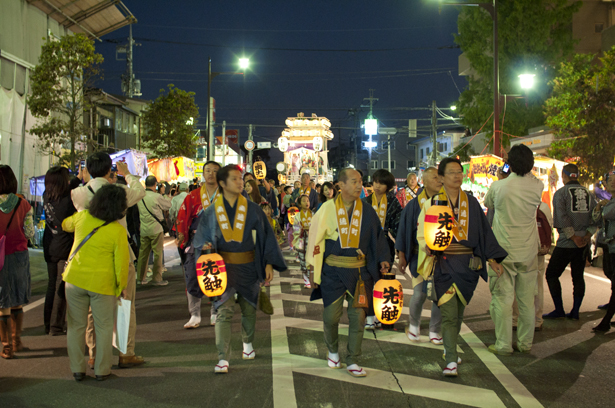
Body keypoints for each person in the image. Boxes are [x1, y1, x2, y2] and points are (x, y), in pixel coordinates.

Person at [416, 158, 507, 377]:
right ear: (442, 177)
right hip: (444, 264)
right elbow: (421, 233)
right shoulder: (432, 203)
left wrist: (493, 258)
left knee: (457, 314)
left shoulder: (472, 203)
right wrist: (426, 248)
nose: (457, 176)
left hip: (467, 266)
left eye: (459, 172)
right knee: (448, 313)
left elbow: (484, 233)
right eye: (452, 172)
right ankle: (450, 358)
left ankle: (450, 348)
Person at [192, 165, 287, 373]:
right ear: (223, 183)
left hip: (249, 267)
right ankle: (222, 358)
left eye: (240, 179)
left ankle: (247, 343)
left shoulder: (253, 209)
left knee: (249, 309)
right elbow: (199, 239)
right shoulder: (211, 211)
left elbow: (266, 236)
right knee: (223, 312)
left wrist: (268, 263)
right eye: (234, 179)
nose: (240, 182)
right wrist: (205, 246)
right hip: (222, 269)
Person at [306, 168, 390, 377]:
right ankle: (333, 351)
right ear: (340, 185)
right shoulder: (326, 209)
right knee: (330, 317)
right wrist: (312, 269)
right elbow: (315, 239)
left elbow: (378, 238)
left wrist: (384, 259)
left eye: (361, 181)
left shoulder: (368, 210)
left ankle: (353, 359)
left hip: (359, 272)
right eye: (354, 181)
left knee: (358, 318)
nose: (359, 185)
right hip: (332, 271)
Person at [71, 152, 146, 368]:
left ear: (87, 170)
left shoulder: (79, 194)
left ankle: (94, 354)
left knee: (93, 309)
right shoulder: (120, 191)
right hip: (120, 254)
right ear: (109, 170)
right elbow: (139, 192)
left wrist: (84, 179)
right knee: (124, 304)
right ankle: (125, 352)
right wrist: (127, 174)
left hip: (91, 257)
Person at [62, 184, 129, 381]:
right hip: (103, 285)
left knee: (75, 326)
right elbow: (121, 264)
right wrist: (121, 287)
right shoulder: (117, 231)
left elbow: (65, 224)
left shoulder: (82, 218)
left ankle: (77, 369)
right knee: (103, 326)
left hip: (74, 281)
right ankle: (102, 370)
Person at [484, 145, 544, 355]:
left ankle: (503, 345)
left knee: (503, 299)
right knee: (527, 301)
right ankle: (525, 344)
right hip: (527, 251)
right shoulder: (538, 186)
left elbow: (488, 203)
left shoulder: (499, 187)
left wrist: (503, 176)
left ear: (509, 163)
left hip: (502, 251)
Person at [543, 163, 597, 320]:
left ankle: (559, 309)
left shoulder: (561, 193)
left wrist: (573, 237)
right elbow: (595, 217)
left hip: (567, 243)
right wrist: (587, 235)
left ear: (564, 176)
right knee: (578, 277)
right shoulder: (589, 193)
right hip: (583, 243)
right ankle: (575, 311)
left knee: (552, 274)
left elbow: (561, 218)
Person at [396, 167, 444, 344]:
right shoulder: (414, 205)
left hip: (440, 258)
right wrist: (402, 256)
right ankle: (414, 325)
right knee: (419, 294)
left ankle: (434, 329)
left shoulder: (444, 203)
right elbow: (404, 231)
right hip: (419, 256)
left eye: (440, 177)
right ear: (424, 181)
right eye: (434, 178)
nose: (439, 181)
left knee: (439, 295)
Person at [175, 161, 221, 328]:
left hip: (219, 243)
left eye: (215, 171)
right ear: (203, 173)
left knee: (216, 276)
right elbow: (183, 217)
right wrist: (181, 234)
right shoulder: (192, 196)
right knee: (192, 276)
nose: (210, 173)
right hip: (196, 242)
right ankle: (194, 314)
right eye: (207, 170)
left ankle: (215, 312)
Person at [0, 165, 34, 359]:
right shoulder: (23, 204)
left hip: (0, 257)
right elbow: (30, 233)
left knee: (2, 301)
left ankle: (6, 347)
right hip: (19, 254)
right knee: (17, 299)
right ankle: (17, 340)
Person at [362, 169, 403, 329]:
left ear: (389, 186)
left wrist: (400, 247)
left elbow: (398, 226)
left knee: (381, 282)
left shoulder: (393, 202)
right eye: (375, 182)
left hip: (386, 246)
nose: (377, 186)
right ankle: (369, 316)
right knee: (367, 282)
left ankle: (380, 314)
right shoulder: (365, 202)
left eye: (382, 183)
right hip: (366, 246)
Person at [43, 166, 76, 336]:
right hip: (63, 246)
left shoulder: (46, 196)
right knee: (60, 286)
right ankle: (55, 326)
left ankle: (48, 323)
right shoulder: (67, 200)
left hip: (49, 244)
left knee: (51, 285)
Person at [136, 175, 172, 285]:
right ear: (155, 185)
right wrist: (163, 194)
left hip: (144, 229)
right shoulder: (156, 196)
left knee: (143, 254)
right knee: (158, 254)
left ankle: (140, 278)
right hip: (156, 229)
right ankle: (157, 278)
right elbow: (168, 205)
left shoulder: (140, 197)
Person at [592, 170, 615, 332]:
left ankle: (606, 321)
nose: (612, 182)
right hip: (610, 245)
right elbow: (596, 218)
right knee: (609, 273)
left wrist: (601, 206)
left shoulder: (610, 204)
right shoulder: (610, 200)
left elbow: (607, 214)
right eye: (611, 180)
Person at [293, 195, 313, 288]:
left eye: (308, 200)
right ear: (300, 204)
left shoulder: (313, 214)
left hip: (311, 241)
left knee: (312, 260)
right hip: (301, 241)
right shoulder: (297, 216)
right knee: (303, 260)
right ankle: (306, 280)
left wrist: (311, 229)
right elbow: (295, 228)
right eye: (304, 201)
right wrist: (301, 229)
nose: (307, 203)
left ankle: (311, 278)